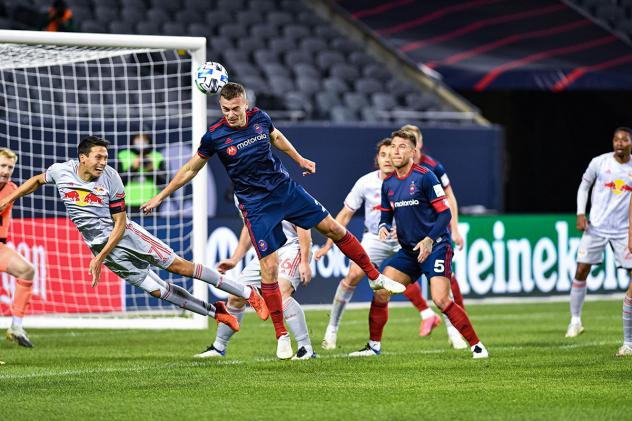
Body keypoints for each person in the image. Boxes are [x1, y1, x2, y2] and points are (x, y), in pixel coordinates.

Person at [141, 82, 404, 359]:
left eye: (235, 109)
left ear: (245, 104)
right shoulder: (214, 136)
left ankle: (375, 278)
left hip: (285, 190)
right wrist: (161, 196)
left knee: (333, 228)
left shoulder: (259, 118)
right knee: (268, 268)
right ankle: (280, 335)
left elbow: (276, 137)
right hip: (256, 206)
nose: (231, 114)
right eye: (225, 109)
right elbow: (190, 168)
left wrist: (299, 159)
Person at [0, 136, 271, 336]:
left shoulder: (111, 178)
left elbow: (119, 223)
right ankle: (217, 313)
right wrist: (7, 200)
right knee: (157, 290)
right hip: (99, 247)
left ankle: (247, 293)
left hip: (126, 236)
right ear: (82, 158)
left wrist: (100, 258)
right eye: (98, 157)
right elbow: (36, 180)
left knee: (178, 266)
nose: (103, 163)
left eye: (105, 158)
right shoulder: (61, 172)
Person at [349, 130, 488, 359]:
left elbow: (444, 214)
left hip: (436, 247)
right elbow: (386, 215)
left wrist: (429, 239)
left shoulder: (425, 176)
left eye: (402, 146)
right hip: (409, 252)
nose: (395, 151)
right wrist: (384, 226)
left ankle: (477, 346)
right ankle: (374, 346)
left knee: (441, 299)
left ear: (413, 152)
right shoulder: (389, 184)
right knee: (382, 291)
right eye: (393, 146)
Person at [317, 137, 466, 349]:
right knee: (353, 276)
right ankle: (331, 331)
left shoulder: (416, 178)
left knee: (440, 279)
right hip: (376, 238)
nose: (388, 158)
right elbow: (345, 215)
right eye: (383, 154)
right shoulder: (365, 183)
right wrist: (328, 243)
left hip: (409, 239)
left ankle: (454, 333)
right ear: (376, 159)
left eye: (391, 153)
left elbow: (436, 209)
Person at [196, 205, 316, 360]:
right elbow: (249, 227)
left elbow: (302, 221)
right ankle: (218, 347)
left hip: (292, 245)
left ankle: (305, 348)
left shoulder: (275, 183)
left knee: (281, 292)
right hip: (268, 250)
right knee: (236, 295)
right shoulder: (239, 194)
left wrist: (304, 261)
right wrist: (234, 259)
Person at [400, 124, 468, 347]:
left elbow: (449, 197)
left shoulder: (433, 167)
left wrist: (455, 228)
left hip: (434, 230)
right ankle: (426, 313)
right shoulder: (396, 167)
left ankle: (456, 328)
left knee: (445, 279)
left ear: (418, 143)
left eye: (413, 141)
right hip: (409, 233)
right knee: (399, 276)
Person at [567, 128, 632, 351]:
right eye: (616, 139)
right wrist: (580, 213)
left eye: (624, 139)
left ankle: (628, 338)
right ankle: (575, 321)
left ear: (631, 143)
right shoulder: (599, 163)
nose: (620, 143)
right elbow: (584, 186)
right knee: (581, 270)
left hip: (624, 231)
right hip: (596, 227)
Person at [0, 148, 36, 348]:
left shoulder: (11, 188)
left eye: (10, 167)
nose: (6, 170)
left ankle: (16, 326)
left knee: (27, 270)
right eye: (3, 165)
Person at [117, 134, 166, 214]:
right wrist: (133, 168)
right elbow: (117, 182)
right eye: (138, 139)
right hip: (127, 202)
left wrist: (152, 170)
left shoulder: (157, 156)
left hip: (151, 203)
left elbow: (165, 182)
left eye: (144, 139)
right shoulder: (123, 155)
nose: (141, 142)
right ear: (133, 139)